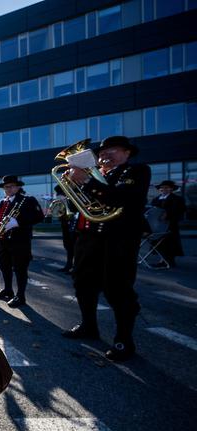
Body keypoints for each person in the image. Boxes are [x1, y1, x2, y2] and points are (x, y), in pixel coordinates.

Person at [62, 136, 150, 362]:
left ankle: (123, 341)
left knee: (117, 289)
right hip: (88, 237)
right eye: (102, 151)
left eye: (113, 150)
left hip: (119, 238)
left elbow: (121, 197)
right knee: (82, 283)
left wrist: (87, 182)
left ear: (127, 153)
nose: (105, 154)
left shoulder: (136, 172)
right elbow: (75, 205)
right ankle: (89, 326)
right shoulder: (95, 175)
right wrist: (73, 185)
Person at [0, 175, 44, 308]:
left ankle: (20, 296)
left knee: (20, 269)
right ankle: (8, 290)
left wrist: (18, 222)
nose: (8, 189)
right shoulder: (1, 202)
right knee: (4, 266)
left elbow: (39, 217)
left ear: (18, 187)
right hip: (3, 240)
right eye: (5, 187)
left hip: (19, 241)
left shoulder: (27, 200)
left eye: (11, 186)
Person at [150, 180, 185, 267]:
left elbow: (180, 210)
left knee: (169, 243)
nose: (163, 189)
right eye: (161, 188)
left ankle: (168, 261)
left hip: (170, 224)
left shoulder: (177, 199)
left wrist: (168, 215)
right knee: (159, 242)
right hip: (157, 224)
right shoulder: (156, 199)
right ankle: (162, 260)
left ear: (171, 189)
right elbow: (152, 210)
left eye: (166, 187)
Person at [52, 185, 76, 273]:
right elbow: (58, 213)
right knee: (67, 245)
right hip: (65, 223)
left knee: (73, 246)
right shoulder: (60, 198)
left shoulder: (72, 198)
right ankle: (69, 265)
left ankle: (74, 266)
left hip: (73, 223)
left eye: (60, 193)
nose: (58, 195)